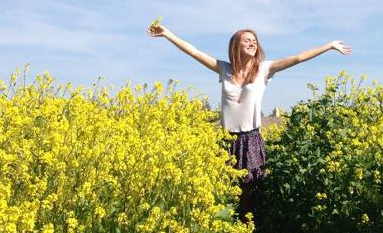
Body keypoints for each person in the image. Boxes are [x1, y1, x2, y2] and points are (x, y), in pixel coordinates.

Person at [147, 22, 351, 223]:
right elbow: (194, 52)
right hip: (226, 140)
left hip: (250, 139)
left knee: (248, 196)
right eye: (247, 40)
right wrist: (167, 33)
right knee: (222, 193)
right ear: (236, 45)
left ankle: (247, 227)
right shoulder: (224, 69)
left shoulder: (264, 69)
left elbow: (298, 58)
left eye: (254, 41)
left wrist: (329, 45)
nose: (253, 43)